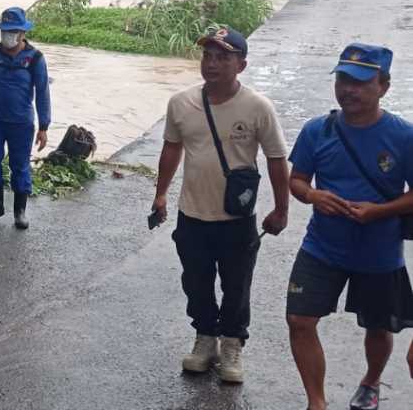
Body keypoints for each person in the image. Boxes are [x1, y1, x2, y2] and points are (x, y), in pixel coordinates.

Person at [153, 27, 290, 384]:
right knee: (196, 281)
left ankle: (231, 343)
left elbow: (276, 159)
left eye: (223, 57)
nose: (212, 64)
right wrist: (161, 193)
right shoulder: (181, 103)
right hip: (192, 213)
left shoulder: (258, 107)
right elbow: (172, 148)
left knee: (236, 283)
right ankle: (205, 339)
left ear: (241, 65)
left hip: (236, 217)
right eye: (207, 56)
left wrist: (281, 208)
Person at [285, 44, 413, 410]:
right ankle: (317, 401)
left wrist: (380, 210)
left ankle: (371, 382)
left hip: (379, 252)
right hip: (322, 247)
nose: (348, 90)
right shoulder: (317, 130)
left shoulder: (404, 136)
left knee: (379, 327)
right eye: (342, 80)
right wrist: (313, 197)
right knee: (299, 319)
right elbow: (298, 180)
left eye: (360, 82)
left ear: (383, 87)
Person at [0, 7, 50, 230]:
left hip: (22, 123)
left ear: (23, 33)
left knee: (20, 166)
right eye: (4, 31)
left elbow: (43, 92)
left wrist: (44, 126)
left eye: (12, 31)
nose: (8, 35)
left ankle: (20, 211)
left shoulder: (35, 59)